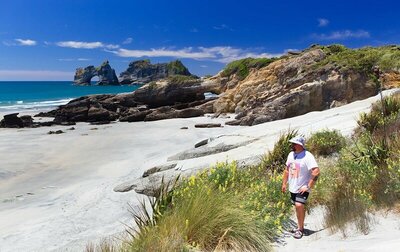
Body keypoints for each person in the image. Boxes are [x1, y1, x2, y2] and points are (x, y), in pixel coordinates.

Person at [281, 136, 320, 239]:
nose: (292, 145)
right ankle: (300, 226)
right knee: (297, 207)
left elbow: (316, 171)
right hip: (292, 187)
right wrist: (284, 183)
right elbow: (286, 170)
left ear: (300, 145)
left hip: (302, 187)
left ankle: (300, 230)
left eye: (294, 143)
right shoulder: (290, 155)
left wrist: (308, 186)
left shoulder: (307, 156)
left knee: (299, 205)